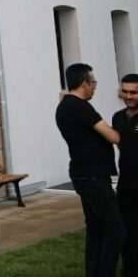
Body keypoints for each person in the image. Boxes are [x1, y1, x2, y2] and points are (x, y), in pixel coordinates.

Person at [56, 62, 123, 277]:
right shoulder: (80, 107)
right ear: (84, 83)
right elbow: (113, 136)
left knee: (96, 228)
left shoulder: (64, 106)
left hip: (82, 174)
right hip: (93, 176)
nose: (94, 87)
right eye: (93, 82)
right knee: (115, 229)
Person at [115, 73, 138, 277]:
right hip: (126, 185)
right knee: (127, 231)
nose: (128, 96)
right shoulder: (118, 117)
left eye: (134, 92)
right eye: (125, 91)